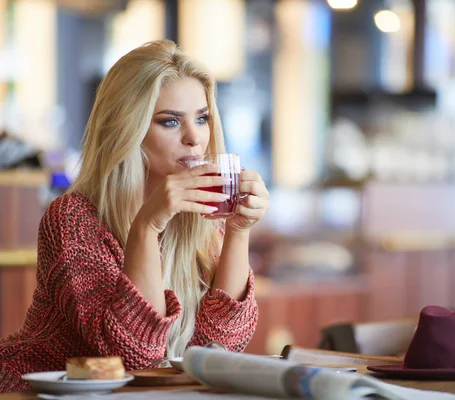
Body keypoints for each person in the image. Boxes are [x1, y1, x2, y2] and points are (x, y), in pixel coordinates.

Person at [0, 40, 268, 392]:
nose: (194, 138)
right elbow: (134, 356)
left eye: (202, 118)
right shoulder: (73, 218)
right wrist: (147, 225)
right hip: (34, 394)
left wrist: (238, 229)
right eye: (170, 122)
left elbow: (221, 348)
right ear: (130, 128)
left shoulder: (200, 219)